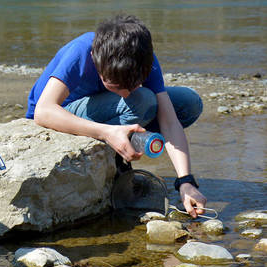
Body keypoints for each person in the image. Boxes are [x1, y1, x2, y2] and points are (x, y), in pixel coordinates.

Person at [26, 14, 207, 218]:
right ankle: (118, 163)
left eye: (132, 85)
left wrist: (185, 181)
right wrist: (106, 133)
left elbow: (170, 121)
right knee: (141, 101)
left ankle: (125, 139)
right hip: (64, 110)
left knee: (188, 102)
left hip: (110, 107)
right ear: (96, 58)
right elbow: (42, 111)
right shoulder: (82, 51)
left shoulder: (142, 56)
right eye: (116, 86)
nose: (126, 93)